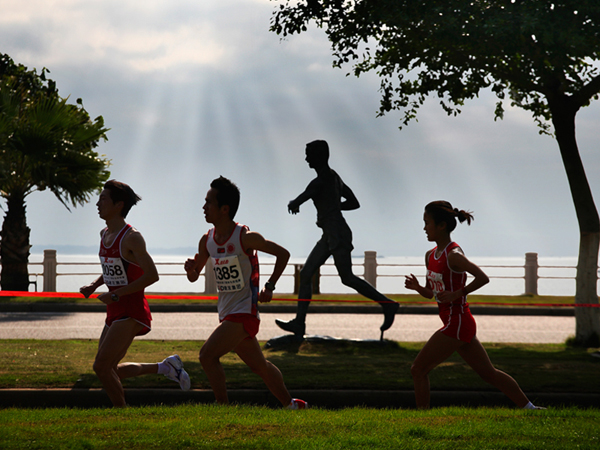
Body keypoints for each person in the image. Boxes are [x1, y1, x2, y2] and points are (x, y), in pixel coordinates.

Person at [404, 201, 544, 409]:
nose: (424, 228)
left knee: (418, 369)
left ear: (441, 225)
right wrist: (418, 288)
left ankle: (421, 418)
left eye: (427, 223)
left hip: (457, 322)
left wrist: (458, 293)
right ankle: (531, 409)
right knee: (489, 374)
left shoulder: (454, 255)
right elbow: (432, 294)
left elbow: (482, 278)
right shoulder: (430, 256)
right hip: (459, 323)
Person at [184, 176, 307, 409]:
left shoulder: (245, 237)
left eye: (208, 202)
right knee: (259, 366)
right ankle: (292, 404)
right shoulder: (207, 240)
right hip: (226, 313)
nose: (203, 207)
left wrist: (269, 286)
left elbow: (283, 254)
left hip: (244, 314)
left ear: (224, 209)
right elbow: (194, 276)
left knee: (207, 356)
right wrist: (191, 269)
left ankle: (223, 408)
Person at [80, 180, 190, 407]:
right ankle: (166, 367)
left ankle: (121, 414)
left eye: (103, 199)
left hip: (130, 309)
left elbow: (151, 275)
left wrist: (117, 294)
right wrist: (94, 285)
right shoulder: (104, 233)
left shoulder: (132, 238)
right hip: (115, 307)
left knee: (101, 366)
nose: (97, 203)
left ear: (119, 205)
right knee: (109, 368)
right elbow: (113, 268)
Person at [275, 140, 399, 339]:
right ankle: (299, 324)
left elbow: (302, 198)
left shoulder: (320, 181)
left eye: (309, 154)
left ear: (319, 156)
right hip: (330, 234)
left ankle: (388, 304)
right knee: (306, 274)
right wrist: (332, 205)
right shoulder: (335, 178)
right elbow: (353, 202)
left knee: (347, 277)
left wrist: (295, 203)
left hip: (337, 233)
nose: (306, 158)